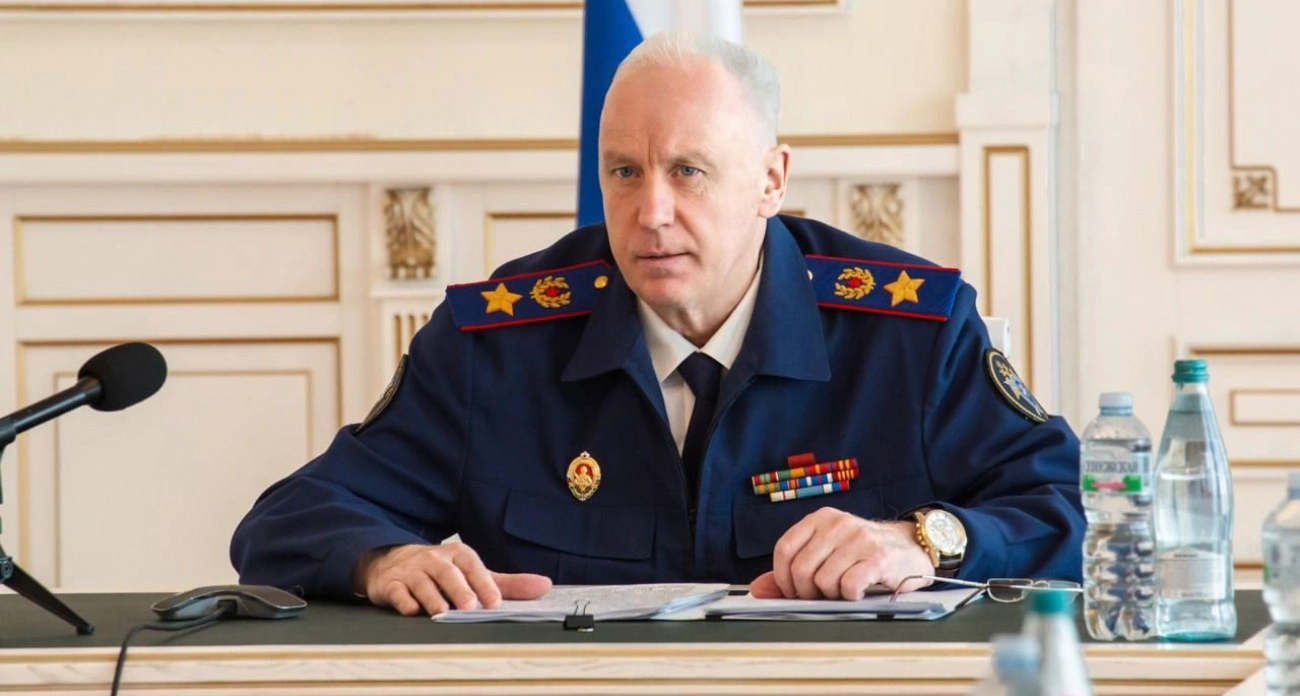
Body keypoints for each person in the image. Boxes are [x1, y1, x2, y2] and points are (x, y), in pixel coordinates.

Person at [231, 32, 1084, 617]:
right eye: (624, 173)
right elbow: (290, 519)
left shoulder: (907, 335)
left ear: (772, 179)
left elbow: (1072, 510)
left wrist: (925, 539)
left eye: (689, 171)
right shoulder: (495, 347)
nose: (652, 213)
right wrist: (383, 560)